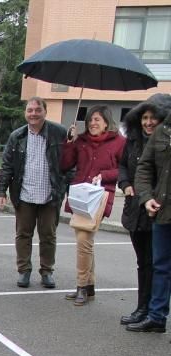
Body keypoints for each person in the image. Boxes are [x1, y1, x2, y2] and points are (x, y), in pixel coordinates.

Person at [0, 97, 68, 289]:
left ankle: (47, 271)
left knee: (48, 235)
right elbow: (7, 166)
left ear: (45, 111)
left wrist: (66, 188)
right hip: (24, 193)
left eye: (37, 110)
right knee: (23, 234)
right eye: (30, 110)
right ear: (25, 113)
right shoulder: (17, 136)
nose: (33, 114)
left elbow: (70, 164)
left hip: (50, 194)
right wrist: (1, 190)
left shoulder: (59, 133)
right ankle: (24, 270)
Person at [59, 106, 125, 306]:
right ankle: (90, 286)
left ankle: (81, 286)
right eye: (90, 120)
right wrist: (69, 142)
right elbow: (65, 165)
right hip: (81, 196)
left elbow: (125, 169)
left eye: (97, 119)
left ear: (106, 121)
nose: (93, 123)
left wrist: (104, 175)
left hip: (100, 196)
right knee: (86, 242)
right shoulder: (81, 141)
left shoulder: (119, 143)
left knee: (83, 239)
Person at [118, 95, 171, 325]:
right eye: (145, 118)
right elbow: (129, 167)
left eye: (154, 118)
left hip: (158, 210)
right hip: (139, 210)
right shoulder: (134, 140)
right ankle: (146, 311)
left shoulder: (163, 139)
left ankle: (153, 311)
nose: (148, 122)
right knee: (148, 263)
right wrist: (127, 184)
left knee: (157, 263)